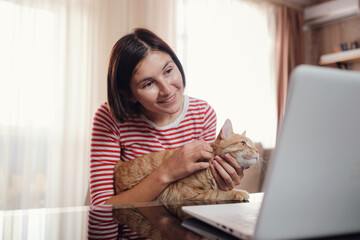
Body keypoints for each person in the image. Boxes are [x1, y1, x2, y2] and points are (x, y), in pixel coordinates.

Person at [89, 28, 245, 238]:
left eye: (168, 70)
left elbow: (200, 201)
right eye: (148, 83)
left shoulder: (203, 114)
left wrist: (224, 185)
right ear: (129, 95)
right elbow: (102, 209)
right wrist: (168, 171)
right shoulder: (110, 118)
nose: (167, 90)